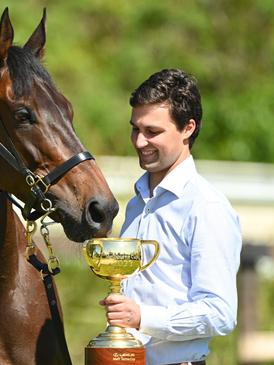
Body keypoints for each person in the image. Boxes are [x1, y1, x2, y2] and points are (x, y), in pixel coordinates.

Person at [100, 69, 242, 365]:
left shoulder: (206, 207)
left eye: (152, 132)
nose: (139, 142)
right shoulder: (137, 202)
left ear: (188, 128)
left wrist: (142, 317)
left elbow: (220, 313)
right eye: (135, 129)